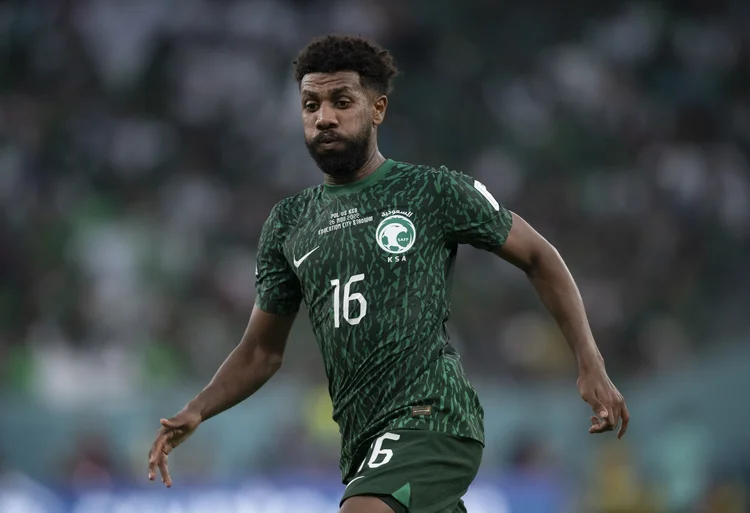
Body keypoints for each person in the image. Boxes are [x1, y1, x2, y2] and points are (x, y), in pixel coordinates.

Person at [148, 34, 630, 513]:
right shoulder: (288, 223)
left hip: (432, 417)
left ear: (377, 109)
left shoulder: (430, 190)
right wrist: (197, 409)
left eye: (341, 101)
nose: (324, 117)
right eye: (310, 104)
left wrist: (590, 362)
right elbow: (260, 351)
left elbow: (539, 256)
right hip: (362, 438)